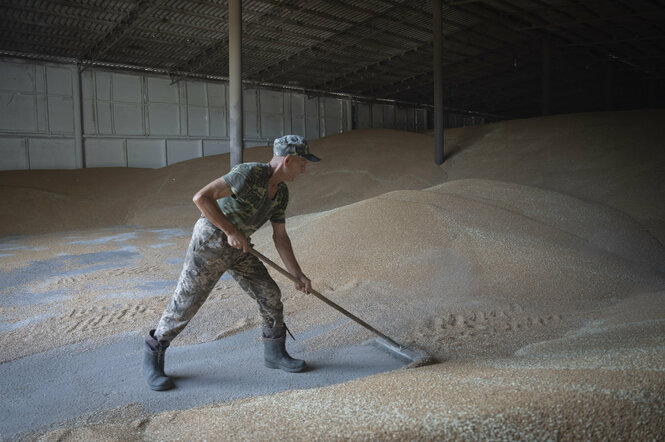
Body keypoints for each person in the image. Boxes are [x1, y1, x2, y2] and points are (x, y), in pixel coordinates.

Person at [143, 135, 320, 391]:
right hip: (211, 242)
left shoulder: (280, 194)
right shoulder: (248, 173)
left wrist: (298, 275)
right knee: (186, 304)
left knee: (269, 294)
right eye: (303, 162)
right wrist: (230, 230)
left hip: (240, 248)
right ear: (288, 159)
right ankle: (153, 357)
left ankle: (274, 354)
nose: (305, 168)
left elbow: (280, 237)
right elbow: (201, 198)